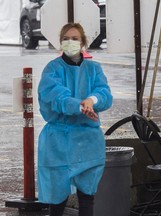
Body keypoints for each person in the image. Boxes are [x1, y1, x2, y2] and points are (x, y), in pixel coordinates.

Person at [37, 23, 113, 216]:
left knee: (87, 195)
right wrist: (81, 107)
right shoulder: (52, 69)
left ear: (83, 42)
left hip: (88, 142)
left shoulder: (94, 69)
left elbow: (104, 93)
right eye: (66, 38)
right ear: (60, 43)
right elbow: (56, 97)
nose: (70, 42)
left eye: (75, 38)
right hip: (58, 143)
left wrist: (91, 100)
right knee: (57, 199)